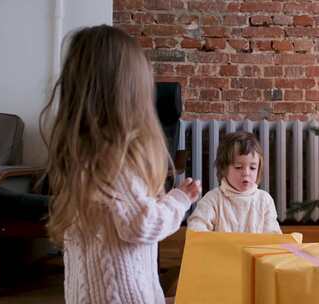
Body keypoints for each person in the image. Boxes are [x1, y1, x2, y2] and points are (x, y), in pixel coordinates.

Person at [39, 25, 201, 304]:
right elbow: (143, 224)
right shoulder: (116, 162)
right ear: (131, 94)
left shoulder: (82, 159)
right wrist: (179, 199)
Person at [187, 131, 281, 233]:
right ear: (223, 168)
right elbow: (195, 228)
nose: (246, 173)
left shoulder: (264, 200)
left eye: (253, 168)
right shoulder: (213, 199)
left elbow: (273, 236)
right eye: (238, 167)